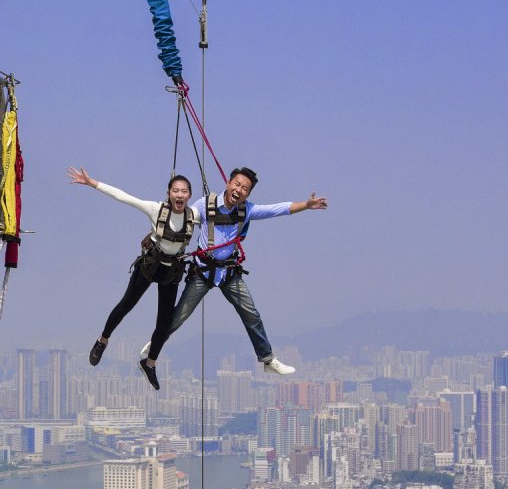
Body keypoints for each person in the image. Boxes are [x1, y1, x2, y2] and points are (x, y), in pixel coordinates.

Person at [149, 166, 327, 378]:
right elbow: (175, 218)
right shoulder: (204, 205)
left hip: (228, 274)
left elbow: (278, 209)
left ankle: (267, 358)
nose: (239, 190)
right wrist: (151, 235)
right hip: (203, 272)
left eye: (245, 188)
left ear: (248, 194)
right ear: (228, 183)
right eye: (237, 184)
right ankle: (154, 347)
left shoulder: (247, 210)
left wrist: (306, 205)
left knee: (252, 315)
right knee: (178, 316)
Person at [69, 166, 198, 390]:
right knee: (127, 304)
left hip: (173, 270)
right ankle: (103, 340)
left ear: (189, 195)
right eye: (175, 190)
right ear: (169, 193)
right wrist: (93, 183)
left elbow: (219, 215)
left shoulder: (194, 215)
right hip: (151, 264)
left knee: (164, 323)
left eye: (184, 191)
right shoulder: (156, 209)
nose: (179, 195)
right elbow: (124, 197)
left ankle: (149, 363)